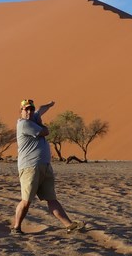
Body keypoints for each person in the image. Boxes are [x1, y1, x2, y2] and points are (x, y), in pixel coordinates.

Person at [11, 98, 84, 235]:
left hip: (44, 166)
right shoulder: (24, 124)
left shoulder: (34, 117)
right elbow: (45, 132)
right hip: (30, 167)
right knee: (26, 201)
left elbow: (41, 109)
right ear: (20, 111)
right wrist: (42, 124)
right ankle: (16, 228)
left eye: (31, 109)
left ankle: (69, 225)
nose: (29, 111)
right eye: (26, 109)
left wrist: (49, 105)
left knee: (51, 198)